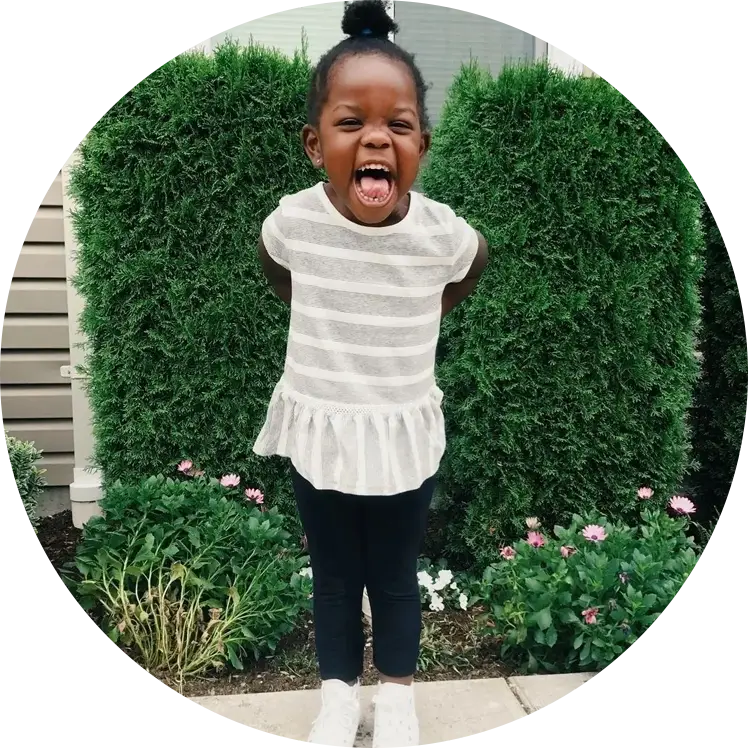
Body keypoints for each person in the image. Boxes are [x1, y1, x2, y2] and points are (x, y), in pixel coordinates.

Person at [253, 1, 488, 745]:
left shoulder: (441, 232)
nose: (376, 137)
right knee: (332, 576)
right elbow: (276, 266)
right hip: (321, 421)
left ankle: (396, 700)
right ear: (315, 144)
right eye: (351, 121)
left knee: (392, 576)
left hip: (400, 429)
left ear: (422, 142)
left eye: (399, 123)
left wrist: (426, 309)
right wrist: (322, 311)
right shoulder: (295, 221)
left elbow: (472, 265)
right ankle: (335, 697)